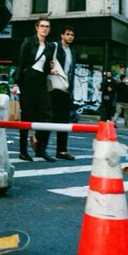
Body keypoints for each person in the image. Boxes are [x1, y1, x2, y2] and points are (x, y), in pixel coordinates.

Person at [11, 17, 56, 162]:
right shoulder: (28, 42)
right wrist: (16, 83)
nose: (45, 29)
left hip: (41, 81)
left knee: (47, 114)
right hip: (28, 80)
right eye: (42, 26)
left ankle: (40, 148)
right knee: (26, 117)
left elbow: (46, 66)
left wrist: (51, 71)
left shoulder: (49, 47)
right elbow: (21, 62)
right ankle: (23, 151)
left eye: (47, 26)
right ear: (37, 27)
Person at [50, 25, 76, 160]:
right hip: (54, 87)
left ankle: (61, 150)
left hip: (66, 89)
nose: (70, 37)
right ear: (62, 35)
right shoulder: (54, 47)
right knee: (50, 117)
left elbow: (71, 72)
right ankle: (39, 142)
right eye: (67, 34)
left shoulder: (72, 51)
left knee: (64, 120)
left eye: (72, 35)